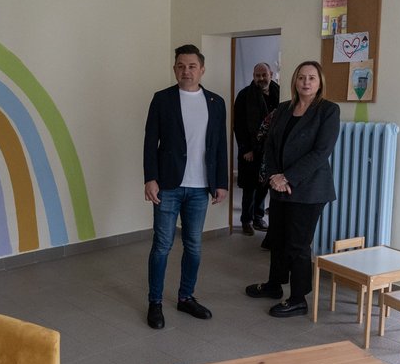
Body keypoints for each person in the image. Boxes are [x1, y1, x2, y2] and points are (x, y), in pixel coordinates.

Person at [244, 61, 339, 317]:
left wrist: (287, 177)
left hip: (308, 190)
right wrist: (275, 176)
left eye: (311, 78)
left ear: (319, 82)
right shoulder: (284, 108)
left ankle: (298, 299)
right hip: (279, 186)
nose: (306, 82)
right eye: (301, 77)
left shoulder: (328, 110)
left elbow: (321, 152)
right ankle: (274, 285)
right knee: (276, 239)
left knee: (298, 245)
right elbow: (271, 145)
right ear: (294, 81)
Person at [143, 44, 228, 329]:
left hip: (200, 187)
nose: (186, 71)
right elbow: (150, 142)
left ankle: (185, 297)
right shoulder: (162, 99)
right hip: (167, 185)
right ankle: (155, 302)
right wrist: (150, 178)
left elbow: (220, 145)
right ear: (174, 69)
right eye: (180, 66)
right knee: (162, 246)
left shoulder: (216, 102)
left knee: (193, 246)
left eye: (192, 66)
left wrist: (221, 182)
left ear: (202, 69)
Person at [233, 62, 280, 235]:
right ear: (253, 76)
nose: (261, 78)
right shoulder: (244, 95)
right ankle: (246, 220)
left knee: (264, 185)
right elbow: (239, 125)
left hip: (270, 150)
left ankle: (258, 217)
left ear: (271, 74)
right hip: (250, 150)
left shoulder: (279, 92)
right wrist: (246, 149)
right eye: (257, 75)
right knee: (249, 187)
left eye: (264, 75)